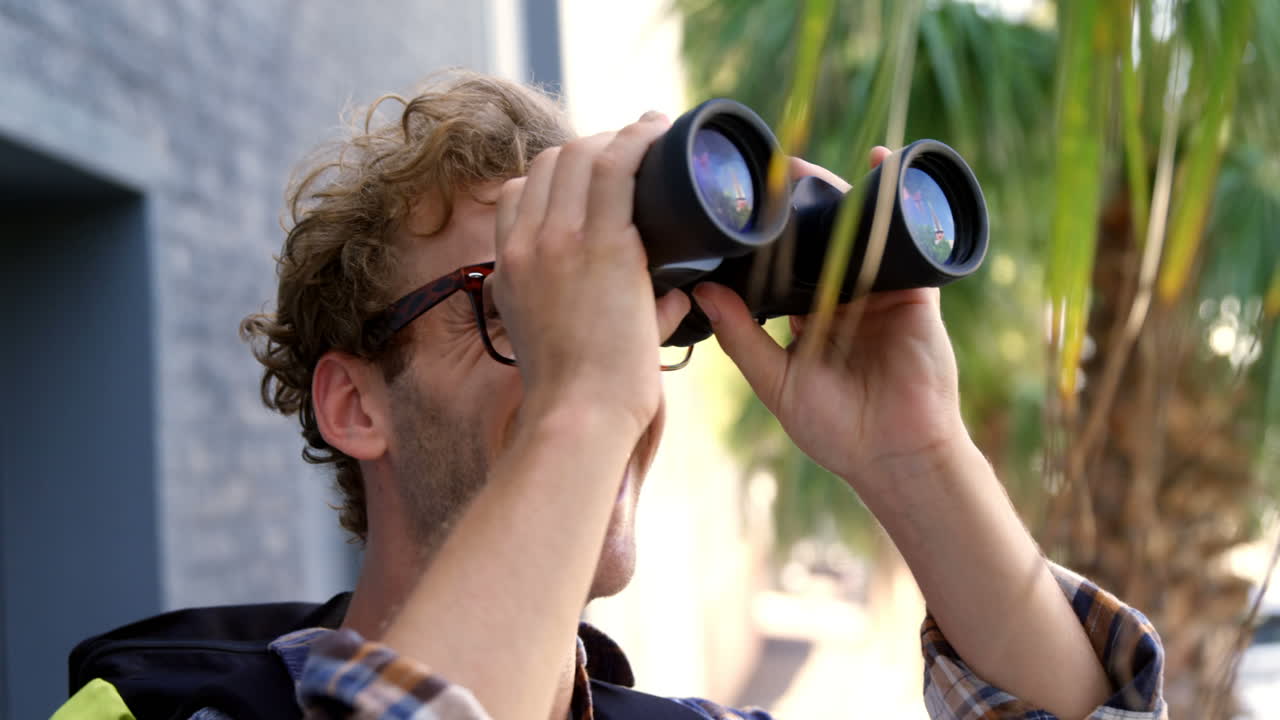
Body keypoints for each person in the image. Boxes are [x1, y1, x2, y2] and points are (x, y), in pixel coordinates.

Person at [76, 71, 1165, 720]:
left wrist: (916, 460)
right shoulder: (149, 706)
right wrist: (580, 403)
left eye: (628, 305)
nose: (623, 365)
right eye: (519, 303)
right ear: (356, 405)